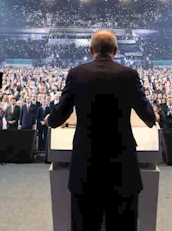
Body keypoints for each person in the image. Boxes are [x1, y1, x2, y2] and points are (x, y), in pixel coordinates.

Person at [46, 30, 155, 231]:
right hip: (122, 166)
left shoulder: (76, 74)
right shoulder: (129, 75)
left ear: (90, 50)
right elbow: (149, 117)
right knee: (122, 226)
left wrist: (50, 119)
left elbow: (60, 114)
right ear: (115, 50)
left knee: (85, 225)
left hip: (86, 163)